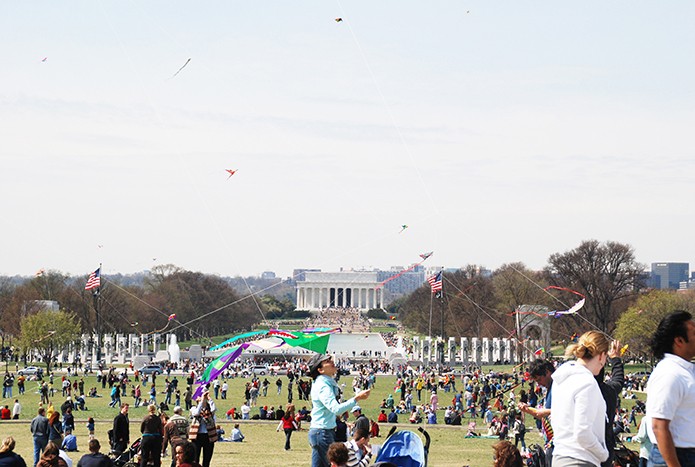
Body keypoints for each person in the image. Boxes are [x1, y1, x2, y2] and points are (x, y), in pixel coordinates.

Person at [551, 331, 610, 467]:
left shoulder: (562, 379)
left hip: (560, 456)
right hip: (580, 459)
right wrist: (603, 453)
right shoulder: (587, 383)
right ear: (601, 356)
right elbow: (582, 432)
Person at [645, 310, 695, 467]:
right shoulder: (670, 374)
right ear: (679, 341)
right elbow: (659, 426)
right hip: (674, 456)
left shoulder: (686, 371)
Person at [308, 353, 371, 467]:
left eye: (330, 359)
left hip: (319, 432)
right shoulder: (323, 386)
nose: (332, 362)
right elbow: (336, 409)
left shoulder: (322, 382)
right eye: (327, 361)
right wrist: (357, 398)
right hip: (323, 432)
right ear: (320, 370)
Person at [518, 359, 555, 467]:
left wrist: (541, 412)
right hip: (550, 443)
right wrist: (527, 409)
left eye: (539, 379)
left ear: (548, 372)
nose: (538, 384)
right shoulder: (549, 389)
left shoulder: (558, 387)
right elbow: (541, 413)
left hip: (558, 444)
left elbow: (563, 410)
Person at [597, 339, 625, 467]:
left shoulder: (579, 391)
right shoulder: (609, 391)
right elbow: (618, 379)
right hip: (605, 448)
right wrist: (615, 358)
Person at [189, 391, 217, 467]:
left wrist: (209, 399)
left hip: (208, 436)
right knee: (195, 458)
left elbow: (213, 409)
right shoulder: (194, 408)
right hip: (197, 436)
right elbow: (196, 413)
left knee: (207, 459)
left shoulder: (209, 410)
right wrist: (201, 402)